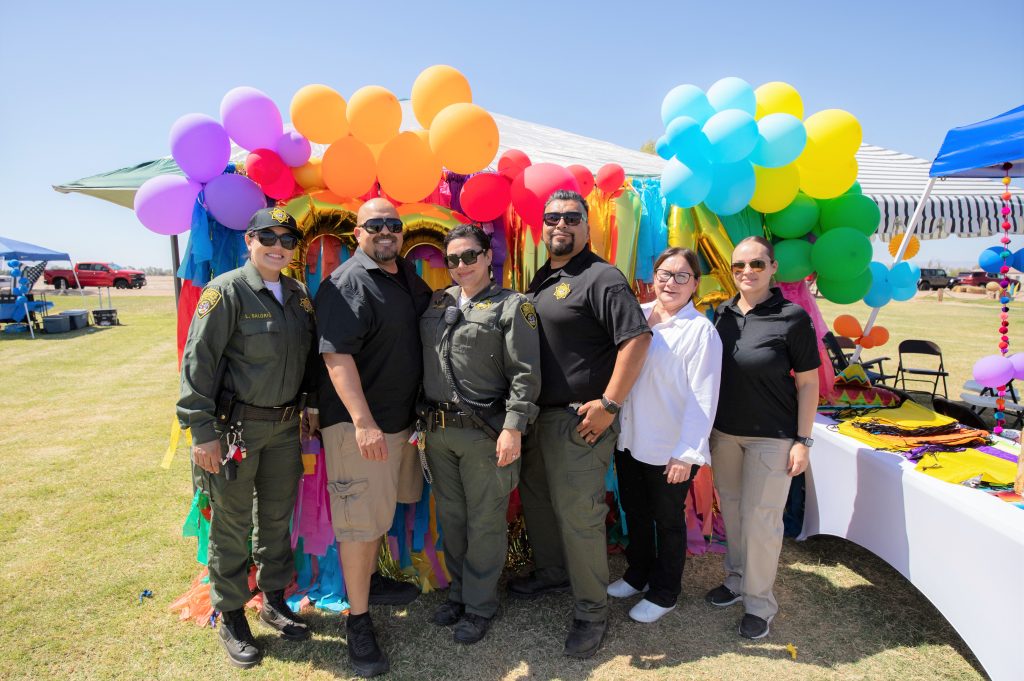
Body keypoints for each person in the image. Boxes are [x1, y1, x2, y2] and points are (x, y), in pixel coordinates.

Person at [509, 189, 652, 658]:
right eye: (553, 218)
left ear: (589, 227)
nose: (561, 226)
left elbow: (636, 340)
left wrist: (609, 403)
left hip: (578, 420)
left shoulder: (601, 277)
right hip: (537, 418)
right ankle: (553, 574)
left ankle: (592, 612)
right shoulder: (543, 277)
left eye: (572, 218)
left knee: (579, 517)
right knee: (539, 503)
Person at [178, 206, 319, 668]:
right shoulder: (226, 292)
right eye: (268, 237)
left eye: (287, 240)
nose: (278, 247)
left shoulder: (298, 296)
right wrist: (202, 432)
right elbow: (197, 363)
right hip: (234, 431)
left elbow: (309, 360)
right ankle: (231, 614)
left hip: (284, 429)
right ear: (249, 241)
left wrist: (311, 405)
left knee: (276, 519)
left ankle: (274, 600)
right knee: (232, 525)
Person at [314, 197, 432, 678]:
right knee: (359, 526)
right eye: (375, 224)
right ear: (357, 234)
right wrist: (362, 422)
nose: (386, 231)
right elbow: (336, 357)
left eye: (393, 224)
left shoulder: (405, 277)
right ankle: (358, 621)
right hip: (360, 427)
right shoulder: (346, 283)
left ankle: (370, 581)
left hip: (400, 423)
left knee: (377, 514)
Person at [420, 224, 541, 644]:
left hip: (486, 433)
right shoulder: (438, 302)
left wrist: (514, 428)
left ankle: (479, 605)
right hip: (439, 432)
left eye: (470, 256)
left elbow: (525, 374)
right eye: (453, 259)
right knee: (452, 519)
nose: (461, 265)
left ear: (488, 257)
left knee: (486, 521)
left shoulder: (513, 306)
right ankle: (459, 593)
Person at [705, 235, 820, 640]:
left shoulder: (792, 317)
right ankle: (737, 579)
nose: (747, 272)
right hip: (725, 435)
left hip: (772, 438)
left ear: (773, 268)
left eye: (756, 264)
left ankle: (759, 604)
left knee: (762, 521)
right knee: (734, 512)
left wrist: (803, 441)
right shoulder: (722, 313)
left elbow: (809, 384)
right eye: (739, 265)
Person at [609, 247, 722, 623]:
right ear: (653, 276)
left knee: (668, 520)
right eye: (664, 274)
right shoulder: (637, 316)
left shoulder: (700, 331)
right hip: (629, 439)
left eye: (681, 276)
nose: (671, 283)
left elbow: (704, 398)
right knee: (635, 512)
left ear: (695, 284)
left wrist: (686, 453)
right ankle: (639, 573)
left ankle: (665, 591)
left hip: (668, 449)